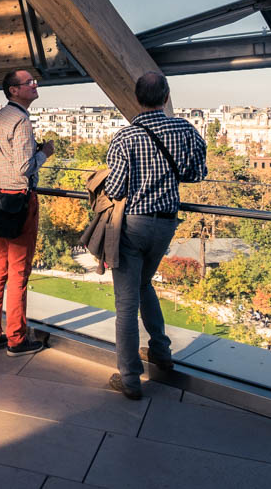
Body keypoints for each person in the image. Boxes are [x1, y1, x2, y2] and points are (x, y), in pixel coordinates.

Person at [104, 71, 207, 399]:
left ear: (137, 98)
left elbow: (116, 188)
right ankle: (161, 351)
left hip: (132, 224)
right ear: (166, 97)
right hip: (165, 223)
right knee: (145, 284)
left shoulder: (125, 137)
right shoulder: (186, 131)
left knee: (125, 303)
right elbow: (196, 173)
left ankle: (131, 378)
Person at [0, 69, 54, 356]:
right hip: (19, 201)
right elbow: (25, 168)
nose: (34, 85)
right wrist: (44, 153)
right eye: (29, 83)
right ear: (14, 90)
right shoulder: (22, 121)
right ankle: (17, 338)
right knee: (19, 273)